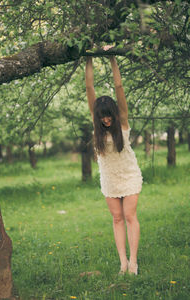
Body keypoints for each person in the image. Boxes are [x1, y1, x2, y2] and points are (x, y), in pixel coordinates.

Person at [85, 50, 143, 275]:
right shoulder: (96, 124)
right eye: (102, 116)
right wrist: (88, 58)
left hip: (129, 175)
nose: (106, 119)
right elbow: (90, 89)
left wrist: (112, 59)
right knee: (117, 219)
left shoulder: (123, 121)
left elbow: (119, 89)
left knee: (129, 216)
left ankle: (134, 262)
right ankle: (122, 263)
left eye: (109, 115)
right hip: (109, 178)